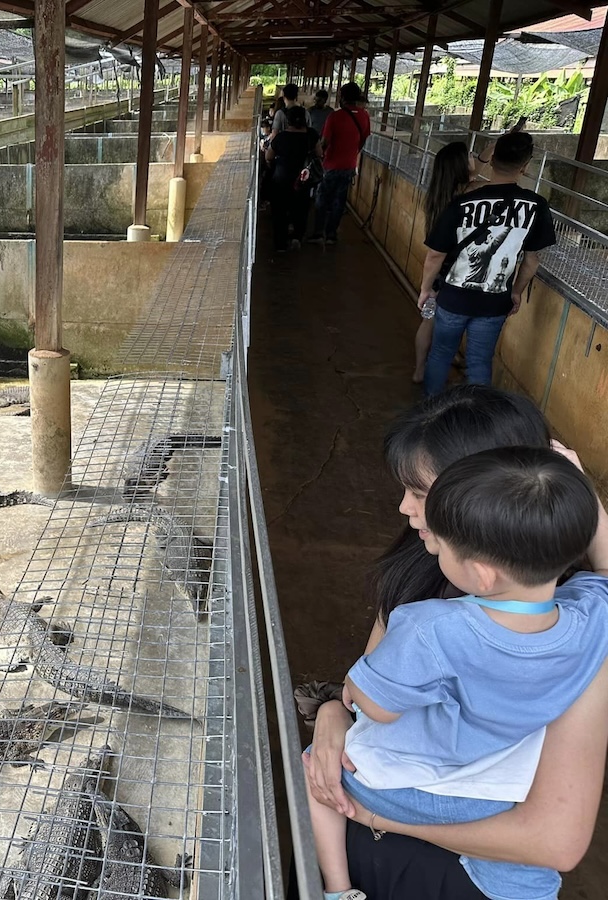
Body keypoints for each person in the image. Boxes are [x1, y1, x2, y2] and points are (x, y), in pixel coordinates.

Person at [300, 385, 608, 900]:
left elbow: (556, 843)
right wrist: (333, 714)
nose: (403, 507)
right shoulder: (575, 617)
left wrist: (384, 817)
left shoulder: (436, 622)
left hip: (448, 862)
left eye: (422, 495)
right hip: (395, 831)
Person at [419, 131, 556, 396]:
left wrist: (426, 289)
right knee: (479, 362)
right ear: (525, 167)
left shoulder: (463, 202)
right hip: (494, 302)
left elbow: (435, 254)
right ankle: (477, 424)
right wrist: (515, 291)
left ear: (491, 161)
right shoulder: (536, 206)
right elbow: (531, 260)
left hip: (453, 298)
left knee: (441, 353)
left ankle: (430, 412)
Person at [412, 142, 483, 383]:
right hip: (456, 270)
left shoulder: (441, 192)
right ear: (462, 167)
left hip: (438, 271)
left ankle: (419, 369)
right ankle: (435, 363)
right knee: (448, 321)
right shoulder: (471, 191)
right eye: (470, 156)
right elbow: (498, 179)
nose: (474, 157)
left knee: (429, 320)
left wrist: (425, 286)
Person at [306, 82, 370, 245]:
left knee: (322, 198)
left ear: (342, 97)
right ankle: (332, 235)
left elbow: (325, 142)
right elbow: (362, 141)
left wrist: (320, 155)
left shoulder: (335, 116)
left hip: (331, 164)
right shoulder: (364, 116)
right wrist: (352, 154)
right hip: (349, 165)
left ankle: (319, 233)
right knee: (339, 200)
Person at [265, 104, 318, 253]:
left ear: (288, 120)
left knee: (279, 212)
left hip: (281, 180)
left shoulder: (281, 137)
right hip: (302, 180)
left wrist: (272, 164)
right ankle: (296, 238)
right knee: (301, 209)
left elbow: (269, 156)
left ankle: (281, 244)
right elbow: (319, 153)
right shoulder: (311, 135)